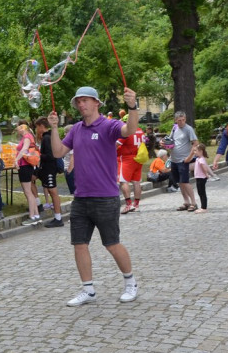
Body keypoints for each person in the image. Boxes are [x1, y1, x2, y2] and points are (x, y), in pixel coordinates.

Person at [48, 86, 141, 307]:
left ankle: (131, 283)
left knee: (111, 243)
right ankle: (88, 290)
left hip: (105, 196)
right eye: (78, 102)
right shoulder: (77, 129)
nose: (81, 105)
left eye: (85, 101)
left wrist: (132, 106)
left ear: (96, 102)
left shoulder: (108, 126)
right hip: (81, 197)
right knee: (79, 244)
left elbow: (130, 129)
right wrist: (53, 129)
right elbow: (58, 152)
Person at [34, 118, 63, 228]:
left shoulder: (47, 138)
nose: (36, 129)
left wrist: (38, 155)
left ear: (41, 126)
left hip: (50, 169)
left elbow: (51, 156)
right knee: (32, 179)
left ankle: (58, 218)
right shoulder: (47, 137)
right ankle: (38, 204)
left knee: (53, 192)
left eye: (37, 127)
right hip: (45, 169)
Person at [167, 111, 199, 211]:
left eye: (183, 120)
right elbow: (170, 140)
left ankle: (194, 202)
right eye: (179, 120)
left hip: (183, 160)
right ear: (176, 120)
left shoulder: (188, 129)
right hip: (174, 159)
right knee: (179, 182)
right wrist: (165, 144)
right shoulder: (174, 128)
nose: (181, 122)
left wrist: (189, 157)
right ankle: (186, 202)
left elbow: (195, 143)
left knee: (185, 181)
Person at [15, 122, 41, 226]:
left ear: (23, 128)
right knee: (30, 192)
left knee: (28, 192)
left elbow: (24, 149)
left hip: (24, 166)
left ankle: (31, 216)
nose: (17, 130)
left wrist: (16, 160)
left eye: (18, 128)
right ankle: (36, 215)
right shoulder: (29, 136)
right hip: (27, 166)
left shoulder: (26, 137)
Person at [116, 120, 145, 213]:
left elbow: (116, 144)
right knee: (136, 182)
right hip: (138, 158)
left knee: (123, 181)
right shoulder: (140, 130)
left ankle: (128, 204)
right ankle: (136, 204)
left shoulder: (127, 132)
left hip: (126, 158)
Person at [192, 144, 218, 213]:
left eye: (196, 151)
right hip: (198, 177)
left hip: (201, 178)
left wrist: (207, 174)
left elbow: (204, 168)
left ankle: (204, 207)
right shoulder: (198, 159)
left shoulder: (201, 160)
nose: (194, 152)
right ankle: (202, 207)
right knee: (200, 192)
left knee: (202, 192)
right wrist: (212, 174)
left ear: (200, 151)